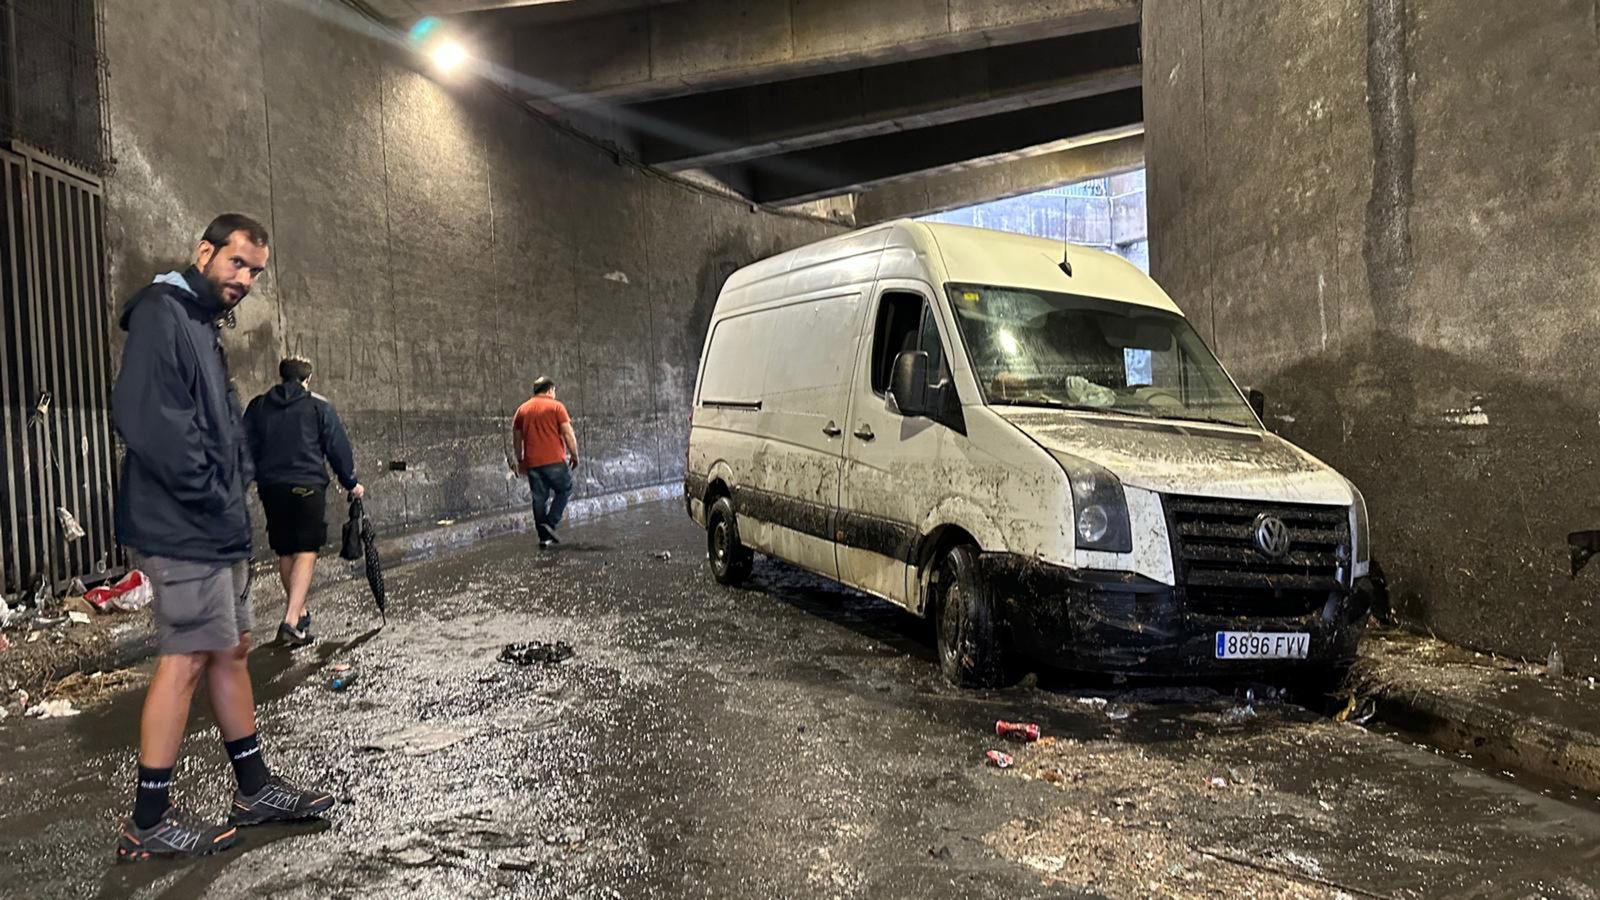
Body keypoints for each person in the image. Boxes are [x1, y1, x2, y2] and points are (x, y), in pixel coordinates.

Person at [111, 214, 334, 862]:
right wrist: (212, 489)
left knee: (230, 647)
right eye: (237, 264)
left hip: (214, 524)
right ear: (204, 252)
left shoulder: (201, 323)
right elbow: (147, 418)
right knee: (185, 659)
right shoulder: (161, 313)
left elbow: (217, 425)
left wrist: (233, 480)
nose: (245, 280)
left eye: (256, 272)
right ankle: (148, 820)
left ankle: (253, 788)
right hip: (184, 525)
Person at [244, 355, 364, 647]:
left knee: (286, 552)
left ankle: (299, 613)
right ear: (307, 380)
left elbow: (243, 447)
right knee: (306, 550)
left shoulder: (258, 406)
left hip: (272, 488)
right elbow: (337, 448)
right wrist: (351, 482)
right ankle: (290, 620)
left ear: (281, 377)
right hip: (308, 486)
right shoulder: (318, 406)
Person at [510, 376, 579, 548]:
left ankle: (544, 538)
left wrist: (520, 460)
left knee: (539, 499)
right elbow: (568, 433)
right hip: (554, 460)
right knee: (565, 489)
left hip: (533, 463)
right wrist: (574, 454)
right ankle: (551, 523)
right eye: (554, 391)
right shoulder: (556, 406)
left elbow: (517, 439)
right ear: (549, 390)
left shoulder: (522, 410)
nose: (554, 394)